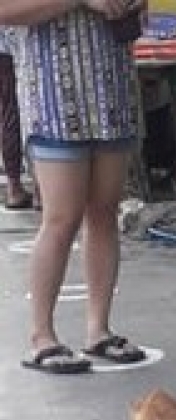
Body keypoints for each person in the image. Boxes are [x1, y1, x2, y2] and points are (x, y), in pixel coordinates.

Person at [0, 0, 146, 374]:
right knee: (62, 217)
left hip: (109, 88)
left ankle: (99, 329)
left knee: (104, 211)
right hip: (52, 94)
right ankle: (41, 336)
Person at [0, 28, 33, 208]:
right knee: (32, 112)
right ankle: (39, 189)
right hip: (17, 45)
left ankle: (14, 186)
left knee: (8, 113)